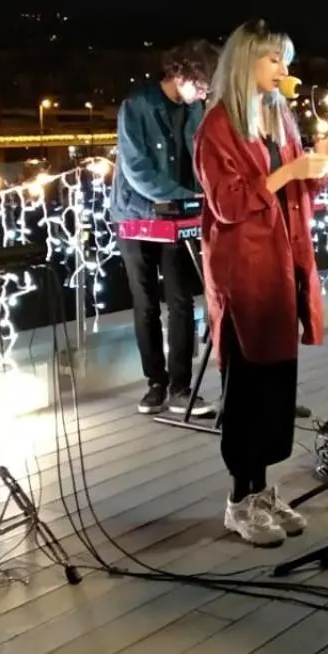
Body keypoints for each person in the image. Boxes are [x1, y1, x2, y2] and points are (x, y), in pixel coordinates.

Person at [194, 19, 328, 545]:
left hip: (286, 263)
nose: (284, 69)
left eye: (286, 60)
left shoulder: (279, 114)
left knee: (279, 385)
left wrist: (321, 160)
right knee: (250, 386)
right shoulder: (217, 125)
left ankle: (262, 490)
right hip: (247, 268)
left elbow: (304, 182)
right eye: (274, 59)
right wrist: (286, 172)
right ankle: (239, 498)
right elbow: (228, 204)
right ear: (247, 62)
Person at [111, 39, 221, 416]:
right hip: (136, 214)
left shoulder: (194, 110)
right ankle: (154, 384)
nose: (204, 92)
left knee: (180, 300)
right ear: (180, 73)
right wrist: (183, 196)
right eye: (202, 84)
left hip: (179, 215)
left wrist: (204, 194)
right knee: (144, 304)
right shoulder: (135, 107)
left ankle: (181, 387)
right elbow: (137, 170)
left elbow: (201, 158)